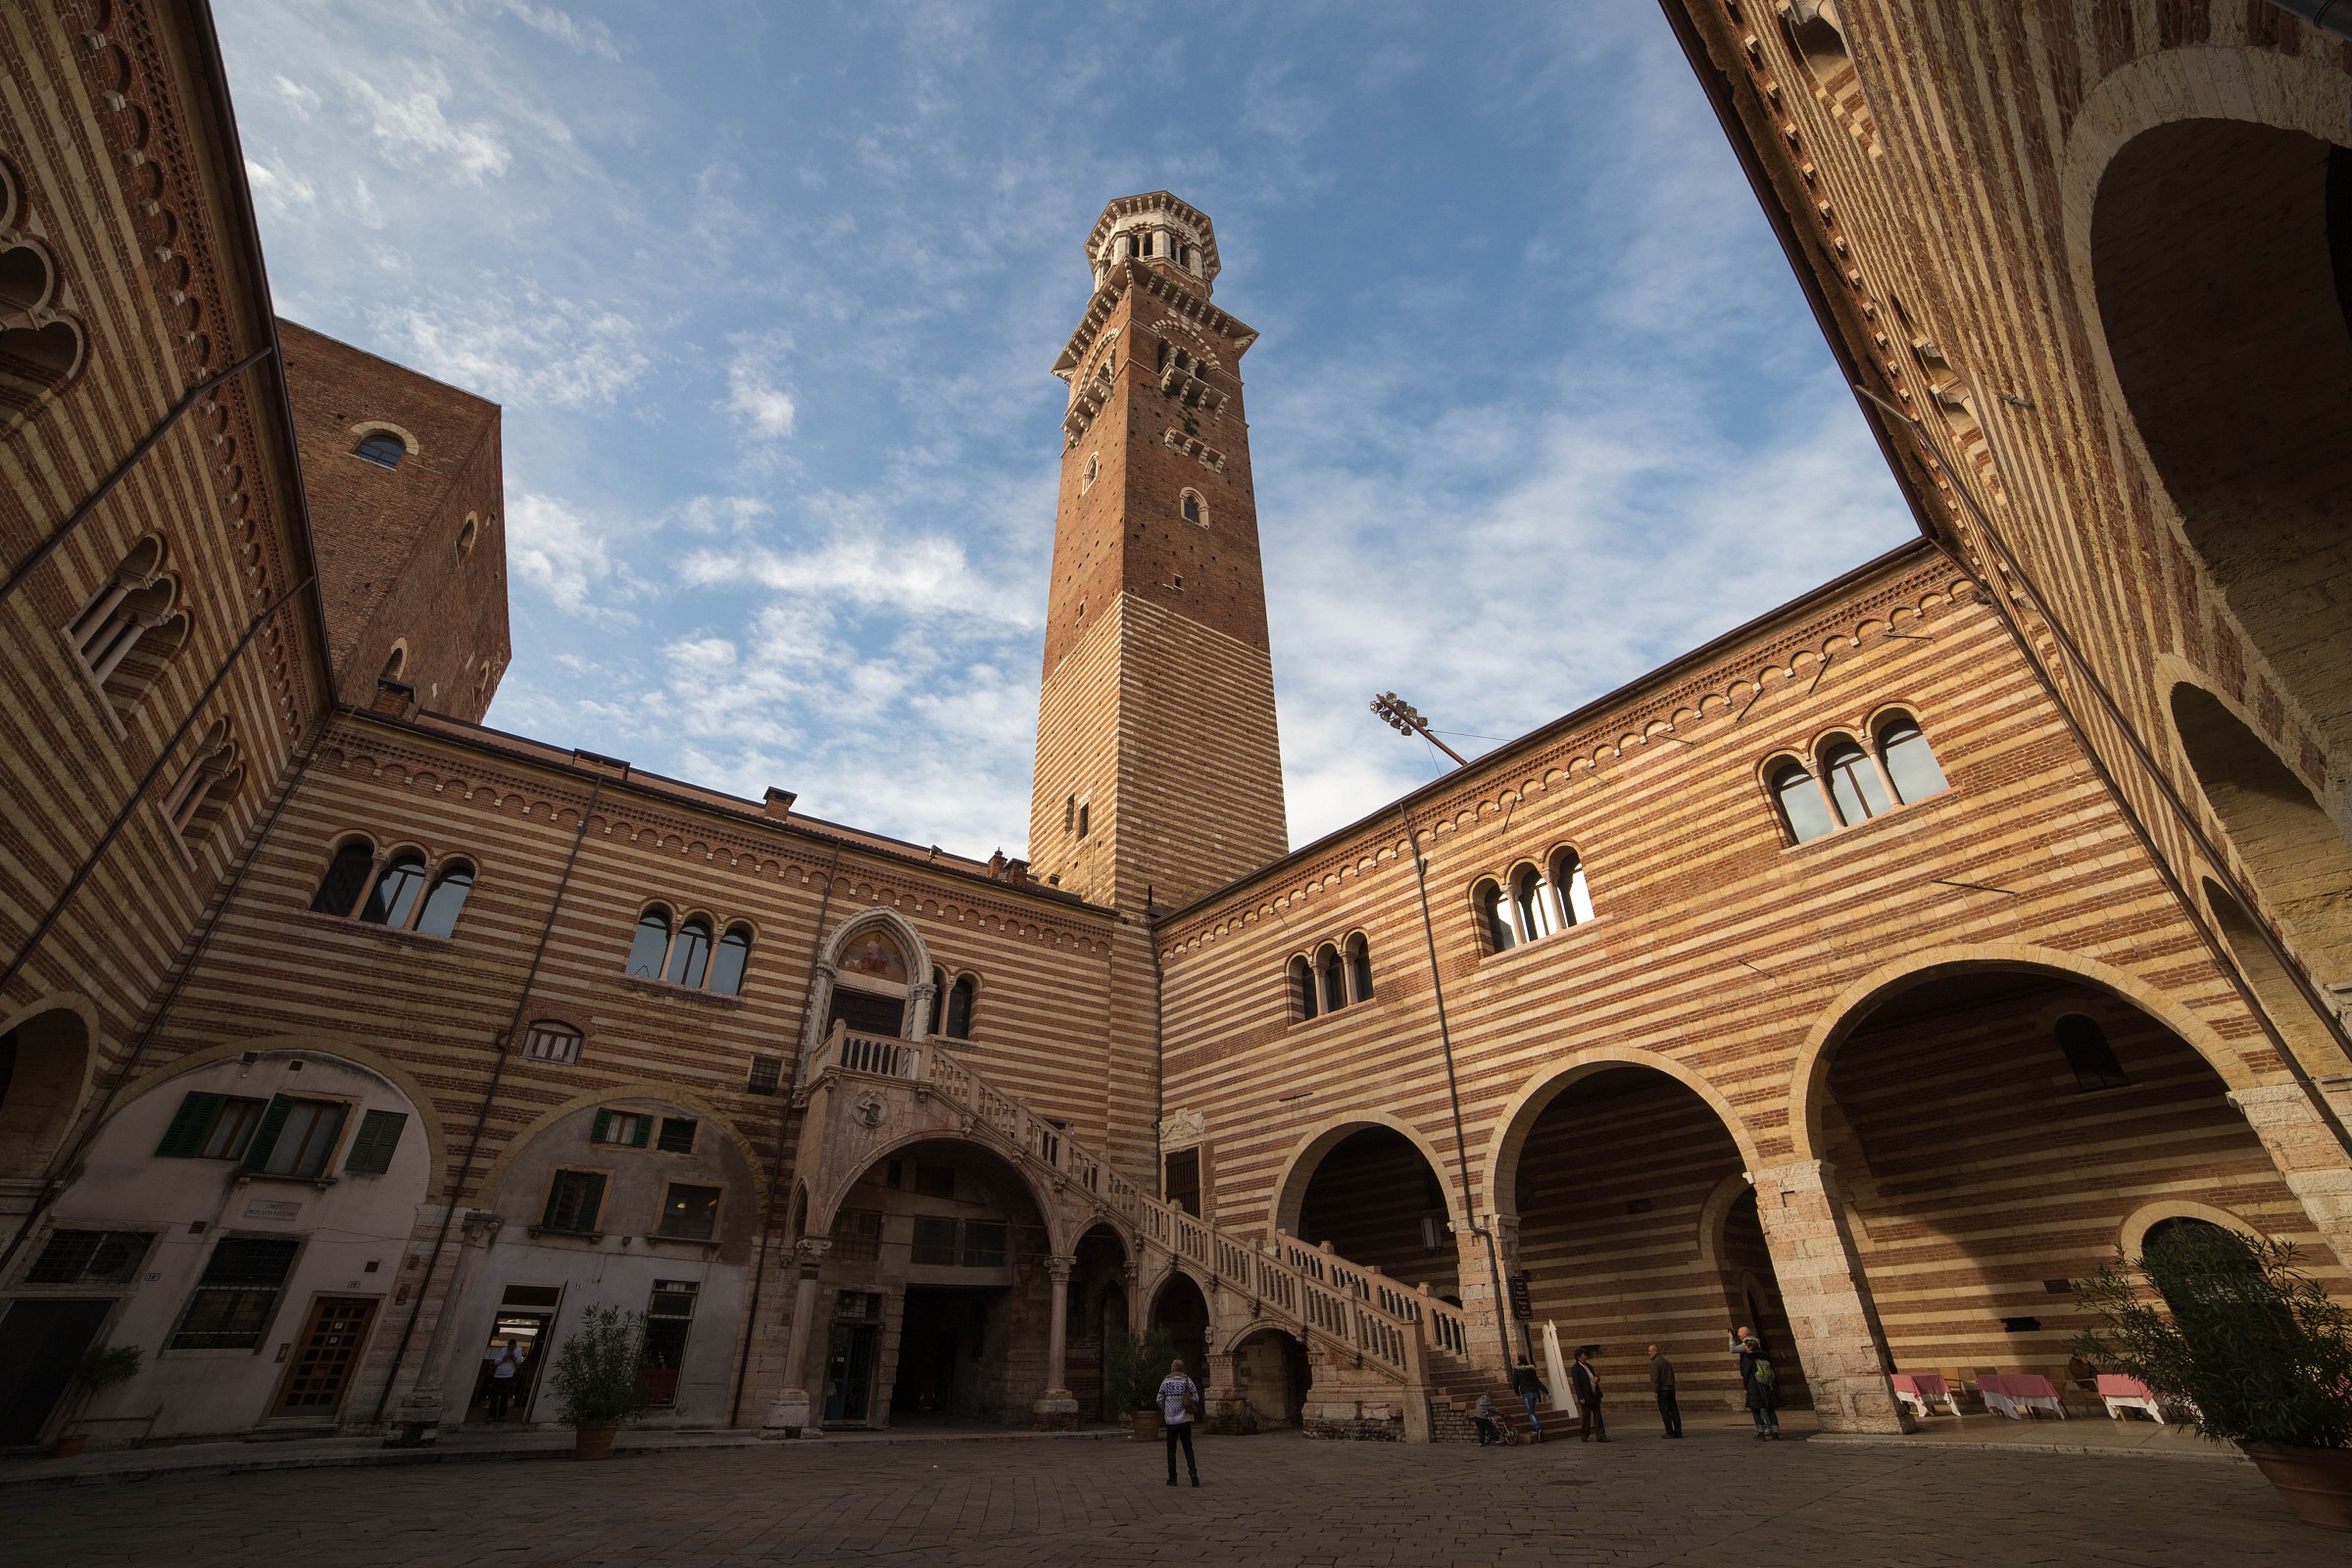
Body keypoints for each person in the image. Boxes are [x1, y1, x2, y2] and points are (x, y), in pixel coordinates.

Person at [1157, 1357, 1202, 1486]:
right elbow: (1196, 1398)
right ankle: (1193, 1473)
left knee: (1171, 1450)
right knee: (1188, 1447)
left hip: (1171, 1421)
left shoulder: (1166, 1382)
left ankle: (1173, 1478)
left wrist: (1167, 1409)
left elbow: (1159, 1399)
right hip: (1185, 1419)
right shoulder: (1187, 1381)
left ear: (1172, 1368)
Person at [1733, 1328, 1780, 1440]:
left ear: (1749, 1347)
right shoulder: (1763, 1355)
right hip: (1767, 1385)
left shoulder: (1749, 1358)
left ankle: (1761, 1432)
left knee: (1756, 1408)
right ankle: (1776, 1433)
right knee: (1770, 1409)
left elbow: (1746, 1372)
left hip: (1755, 1385)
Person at [1570, 1347, 1607, 1442]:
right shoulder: (1576, 1369)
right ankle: (1584, 1435)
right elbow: (1577, 1384)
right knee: (1586, 1417)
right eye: (1583, 1356)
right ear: (1579, 1358)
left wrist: (1597, 1378)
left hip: (1594, 1394)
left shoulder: (1589, 1366)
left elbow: (1594, 1376)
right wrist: (1580, 1397)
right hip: (1586, 1396)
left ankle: (1601, 1435)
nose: (1585, 1357)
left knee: (1598, 1416)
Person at [1647, 1343, 1682, 1438]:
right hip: (1671, 1389)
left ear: (1655, 1351)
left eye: (1650, 1351)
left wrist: (1655, 1391)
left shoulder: (1655, 1363)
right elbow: (1672, 1376)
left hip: (1662, 1390)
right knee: (1674, 1411)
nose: (1649, 1353)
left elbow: (1655, 1379)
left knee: (1665, 1412)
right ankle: (1678, 1431)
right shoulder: (1666, 1362)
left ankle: (1669, 1431)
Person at [1511, 1357, 1545, 1442]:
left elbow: (1515, 1383)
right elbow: (1537, 1381)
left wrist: (1517, 1392)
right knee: (1532, 1410)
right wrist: (1546, 1390)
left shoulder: (1517, 1370)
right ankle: (1535, 1428)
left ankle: (1537, 1428)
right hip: (1534, 1392)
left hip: (1526, 1393)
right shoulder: (1531, 1369)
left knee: (1530, 1412)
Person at [486, 1343, 522, 1421]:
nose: (510, 1349)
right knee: (494, 1397)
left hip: (508, 1375)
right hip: (498, 1375)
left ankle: (502, 1415)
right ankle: (491, 1416)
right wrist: (503, 1358)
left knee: (504, 1397)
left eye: (512, 1348)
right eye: (509, 1347)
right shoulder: (503, 1350)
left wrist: (513, 1357)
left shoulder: (518, 1350)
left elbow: (518, 1362)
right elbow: (496, 1362)